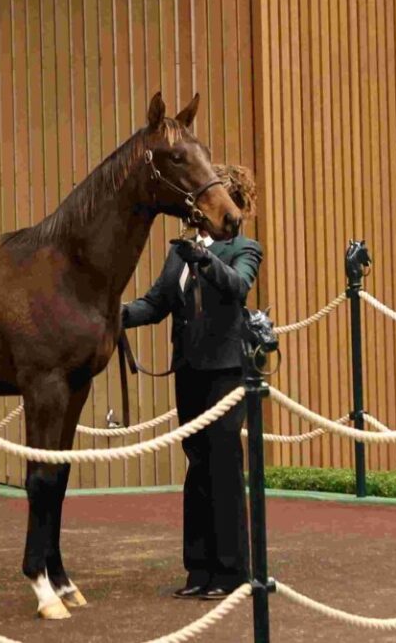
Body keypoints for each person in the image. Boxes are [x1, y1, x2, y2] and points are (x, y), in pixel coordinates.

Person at [122, 164, 262, 601]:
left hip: (224, 372)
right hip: (188, 370)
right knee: (197, 465)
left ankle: (232, 571)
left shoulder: (245, 247)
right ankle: (199, 568)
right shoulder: (179, 252)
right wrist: (112, 315)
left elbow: (238, 287)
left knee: (223, 464)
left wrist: (204, 259)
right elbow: (156, 303)